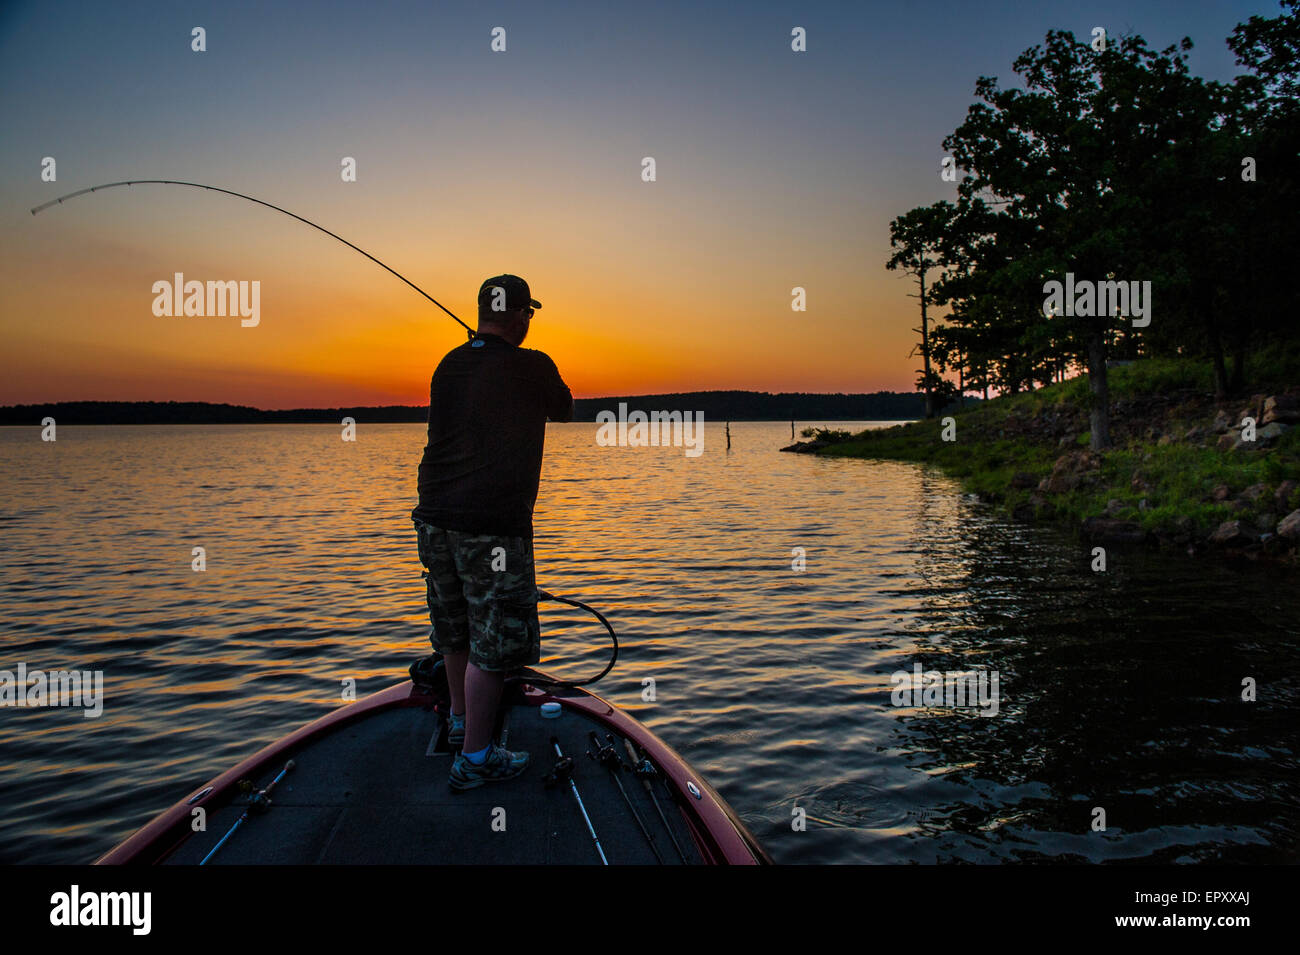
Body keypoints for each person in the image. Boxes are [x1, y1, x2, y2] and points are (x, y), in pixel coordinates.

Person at [412, 274, 573, 791]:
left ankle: (462, 723)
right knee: (494, 643)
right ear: (523, 315)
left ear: (482, 311)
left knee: (454, 626)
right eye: (529, 314)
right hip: (492, 528)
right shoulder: (533, 365)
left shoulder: (447, 365)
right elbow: (564, 409)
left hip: (434, 518)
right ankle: (477, 759)